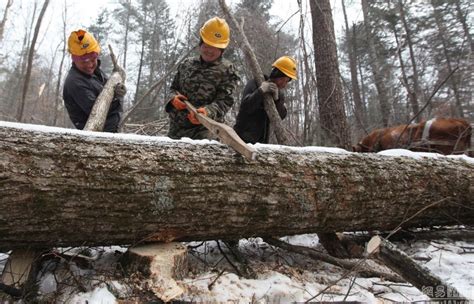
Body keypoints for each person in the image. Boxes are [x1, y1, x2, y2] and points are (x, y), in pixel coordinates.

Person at [165, 17, 239, 140]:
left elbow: (224, 102)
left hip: (205, 134)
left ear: (222, 49)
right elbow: (173, 88)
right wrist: (173, 99)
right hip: (176, 132)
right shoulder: (186, 64)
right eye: (207, 45)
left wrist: (207, 112)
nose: (209, 50)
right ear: (201, 43)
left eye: (215, 47)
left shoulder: (228, 71)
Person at [63, 29, 126, 132]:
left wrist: (118, 89)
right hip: (97, 136)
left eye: (92, 60)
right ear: (74, 60)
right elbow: (99, 111)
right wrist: (117, 97)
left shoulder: (96, 73)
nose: (89, 65)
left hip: (112, 131)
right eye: (84, 62)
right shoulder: (75, 83)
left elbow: (109, 88)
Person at [234, 56, 297, 144]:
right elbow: (246, 107)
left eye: (286, 81)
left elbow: (281, 116)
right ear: (276, 74)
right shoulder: (255, 83)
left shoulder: (279, 94)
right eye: (283, 80)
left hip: (261, 143)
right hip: (240, 138)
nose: (284, 84)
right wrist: (260, 91)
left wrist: (277, 100)